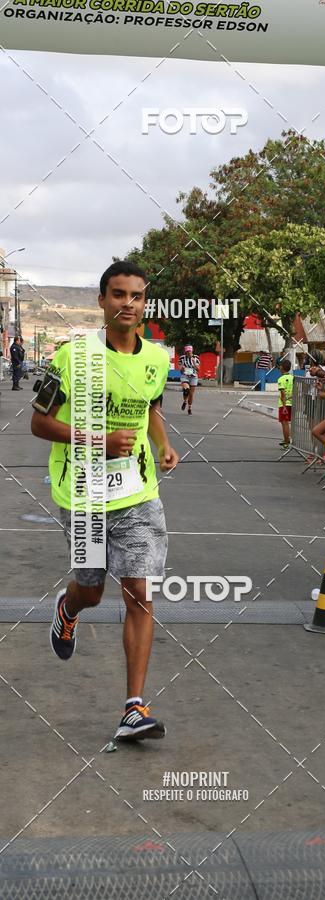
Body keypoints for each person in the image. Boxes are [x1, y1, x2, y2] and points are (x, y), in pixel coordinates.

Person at [30, 260, 180, 742]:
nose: (128, 304)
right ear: (101, 300)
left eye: (136, 296)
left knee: (139, 592)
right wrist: (95, 439)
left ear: (145, 303)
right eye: (118, 294)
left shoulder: (157, 358)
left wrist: (161, 443)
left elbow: (150, 407)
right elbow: (38, 423)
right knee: (91, 589)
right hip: (84, 494)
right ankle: (68, 609)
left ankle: (133, 707)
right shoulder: (71, 357)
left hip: (138, 493)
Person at [179, 344, 200, 415]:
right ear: (185, 352)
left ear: (192, 351)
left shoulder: (196, 357)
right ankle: (185, 401)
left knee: (191, 394)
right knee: (186, 390)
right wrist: (182, 368)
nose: (189, 353)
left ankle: (189, 408)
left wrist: (194, 363)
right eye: (187, 352)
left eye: (190, 351)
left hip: (193, 377)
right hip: (185, 376)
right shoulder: (182, 358)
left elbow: (198, 369)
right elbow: (180, 370)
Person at [277, 358, 294, 448]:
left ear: (282, 368)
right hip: (293, 403)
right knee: (292, 423)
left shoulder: (281, 379)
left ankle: (286, 442)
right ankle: (290, 440)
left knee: (285, 423)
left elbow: (283, 393)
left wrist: (283, 406)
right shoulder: (293, 378)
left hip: (284, 404)